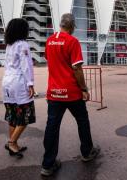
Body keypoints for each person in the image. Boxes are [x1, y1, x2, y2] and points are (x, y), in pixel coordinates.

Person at [40, 13, 100, 176]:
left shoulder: (50, 40)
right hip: (72, 92)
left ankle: (48, 164)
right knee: (82, 120)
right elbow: (77, 69)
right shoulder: (72, 41)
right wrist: (84, 89)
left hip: (54, 93)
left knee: (52, 126)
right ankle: (87, 152)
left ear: (61, 24)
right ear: (72, 26)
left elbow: (50, 60)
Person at [2, 18, 35, 159]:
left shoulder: (9, 45)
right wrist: (30, 83)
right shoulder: (22, 45)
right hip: (19, 83)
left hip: (7, 83)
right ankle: (11, 142)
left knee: (12, 116)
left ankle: (13, 145)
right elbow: (26, 66)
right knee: (25, 116)